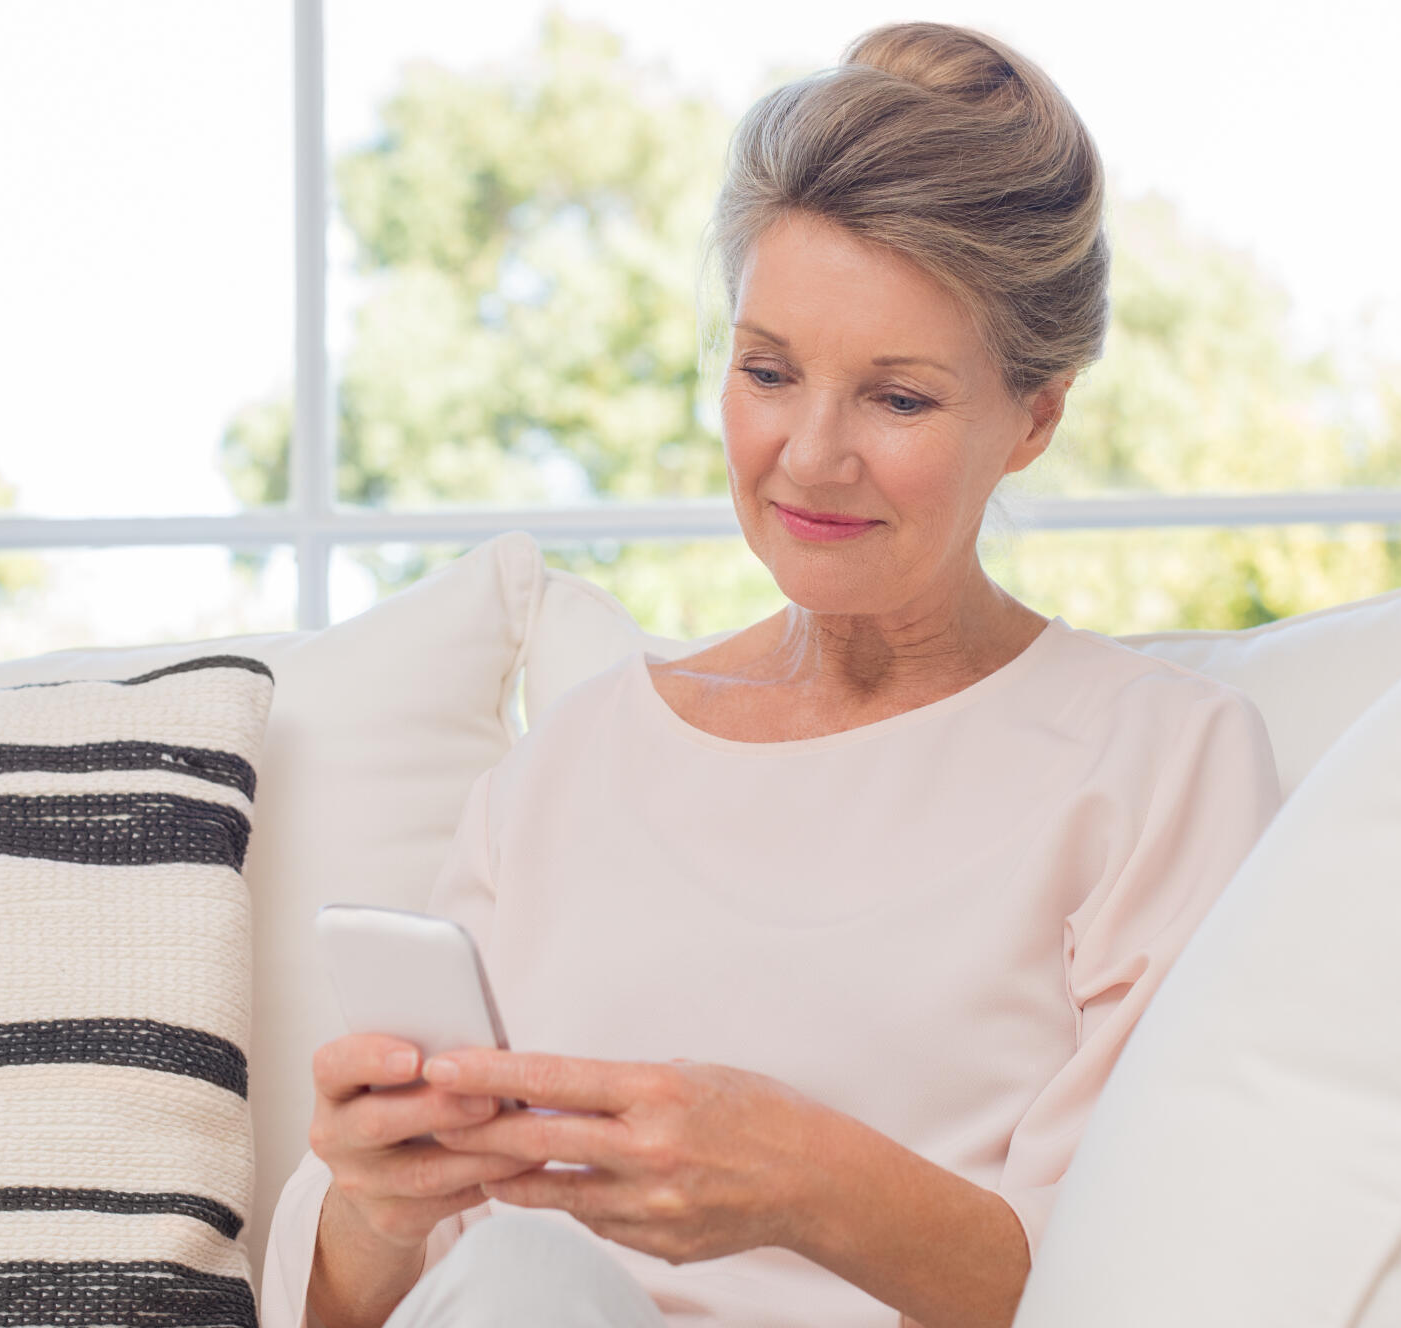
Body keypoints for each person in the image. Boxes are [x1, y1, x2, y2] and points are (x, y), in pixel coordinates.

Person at [261, 19, 1282, 1328]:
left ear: (1035, 414)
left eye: (897, 398)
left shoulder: (1156, 761)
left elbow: (1143, 1286)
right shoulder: (575, 762)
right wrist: (376, 1201)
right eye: (768, 372)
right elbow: (342, 1304)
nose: (808, 457)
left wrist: (806, 1182)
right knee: (520, 1271)